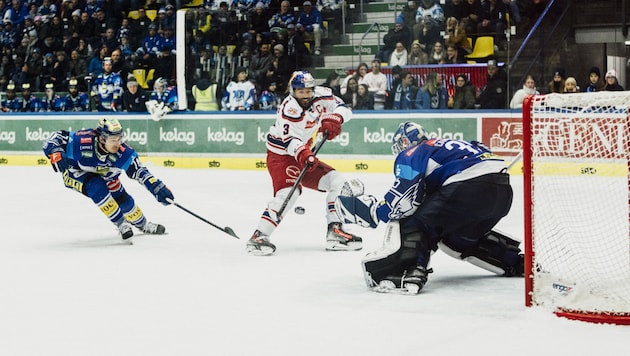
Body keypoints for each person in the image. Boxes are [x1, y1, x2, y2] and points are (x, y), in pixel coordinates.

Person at [334, 121, 524, 294]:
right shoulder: (449, 145)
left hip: (466, 188)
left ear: (404, 142)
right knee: (455, 239)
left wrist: (376, 212)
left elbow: (406, 199)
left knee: (413, 222)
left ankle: (408, 270)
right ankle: (514, 261)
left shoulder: (414, 151)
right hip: (502, 193)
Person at [247, 70, 363, 256]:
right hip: (282, 156)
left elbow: (344, 107)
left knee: (338, 182)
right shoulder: (288, 108)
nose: (306, 95)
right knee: (288, 194)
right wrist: (304, 154)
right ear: (293, 91)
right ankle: (259, 236)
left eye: (308, 91)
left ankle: (335, 231)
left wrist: (335, 118)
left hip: (305, 153)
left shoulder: (322, 95)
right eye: (301, 92)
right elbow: (290, 140)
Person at [42, 117, 173, 242]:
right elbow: (54, 138)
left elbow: (139, 171)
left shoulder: (123, 152)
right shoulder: (82, 142)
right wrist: (56, 152)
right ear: (102, 138)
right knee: (97, 187)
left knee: (124, 201)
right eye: (113, 139)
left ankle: (143, 224)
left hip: (106, 174)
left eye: (119, 138)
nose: (118, 143)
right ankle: (121, 224)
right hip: (76, 172)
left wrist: (156, 187)